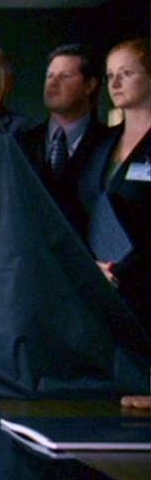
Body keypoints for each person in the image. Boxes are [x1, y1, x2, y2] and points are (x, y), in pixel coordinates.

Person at [78, 38, 151, 340]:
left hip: (143, 288)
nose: (115, 83)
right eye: (110, 76)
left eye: (126, 73)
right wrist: (93, 266)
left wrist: (123, 270)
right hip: (100, 289)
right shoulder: (100, 143)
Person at [17, 44, 108, 235]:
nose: (53, 83)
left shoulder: (109, 143)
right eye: (50, 76)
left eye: (65, 76)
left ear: (89, 86)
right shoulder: (20, 143)